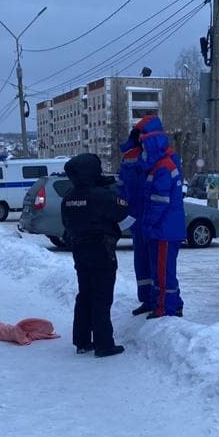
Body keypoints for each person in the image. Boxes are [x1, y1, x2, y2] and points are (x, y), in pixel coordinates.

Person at [61, 153, 132, 358]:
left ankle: (82, 340)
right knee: (102, 296)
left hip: (79, 250)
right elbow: (124, 216)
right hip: (101, 250)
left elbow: (66, 224)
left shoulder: (69, 197)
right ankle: (104, 344)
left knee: (85, 294)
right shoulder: (101, 195)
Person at [138, 116, 186, 318]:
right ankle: (168, 305)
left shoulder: (163, 167)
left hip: (164, 229)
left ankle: (167, 308)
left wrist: (148, 223)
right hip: (163, 228)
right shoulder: (160, 164)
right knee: (160, 270)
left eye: (143, 142)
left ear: (151, 142)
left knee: (164, 272)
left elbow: (159, 201)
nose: (141, 148)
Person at [117, 118, 154, 315]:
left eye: (143, 133)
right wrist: (121, 207)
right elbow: (121, 185)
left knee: (157, 262)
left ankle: (159, 300)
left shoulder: (158, 156)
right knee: (141, 261)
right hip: (136, 217)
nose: (140, 137)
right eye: (138, 133)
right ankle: (146, 299)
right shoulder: (129, 156)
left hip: (153, 218)